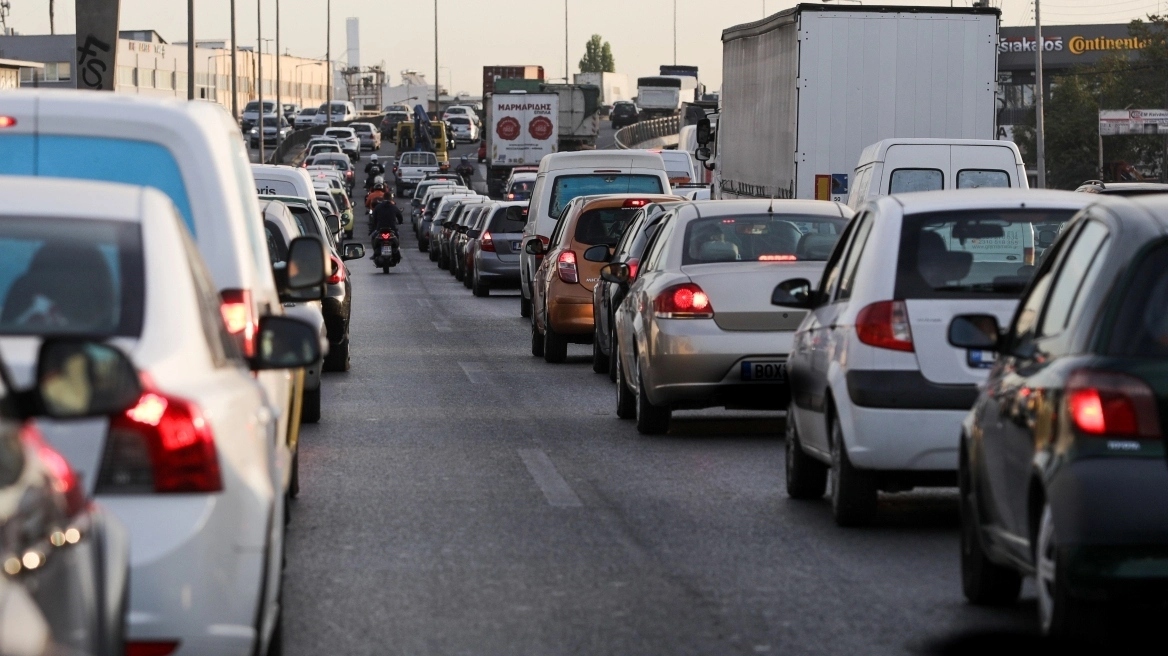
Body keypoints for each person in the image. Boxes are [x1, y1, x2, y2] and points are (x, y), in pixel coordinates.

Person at [369, 190, 404, 262]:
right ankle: (397, 251)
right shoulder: (394, 207)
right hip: (392, 229)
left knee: (373, 237)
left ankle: (375, 253)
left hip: (379, 229)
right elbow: (400, 217)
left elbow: (374, 219)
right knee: (397, 236)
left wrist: (373, 227)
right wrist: (400, 222)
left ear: (383, 198)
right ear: (391, 198)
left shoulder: (378, 207)